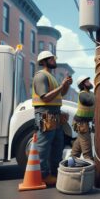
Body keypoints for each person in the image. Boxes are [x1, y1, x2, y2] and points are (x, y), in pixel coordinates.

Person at [32, 51, 73, 186]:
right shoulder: (41, 76)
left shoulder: (51, 77)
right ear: (44, 61)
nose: (54, 60)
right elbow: (45, 97)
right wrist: (62, 86)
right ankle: (43, 175)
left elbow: (62, 93)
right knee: (43, 147)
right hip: (45, 114)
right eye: (52, 59)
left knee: (57, 145)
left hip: (54, 115)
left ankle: (54, 173)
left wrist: (65, 85)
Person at [71, 75, 95, 160]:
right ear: (83, 84)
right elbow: (90, 101)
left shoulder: (91, 93)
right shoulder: (82, 95)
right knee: (87, 152)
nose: (90, 82)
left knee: (77, 150)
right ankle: (90, 168)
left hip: (85, 124)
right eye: (87, 81)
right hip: (81, 124)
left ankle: (71, 161)